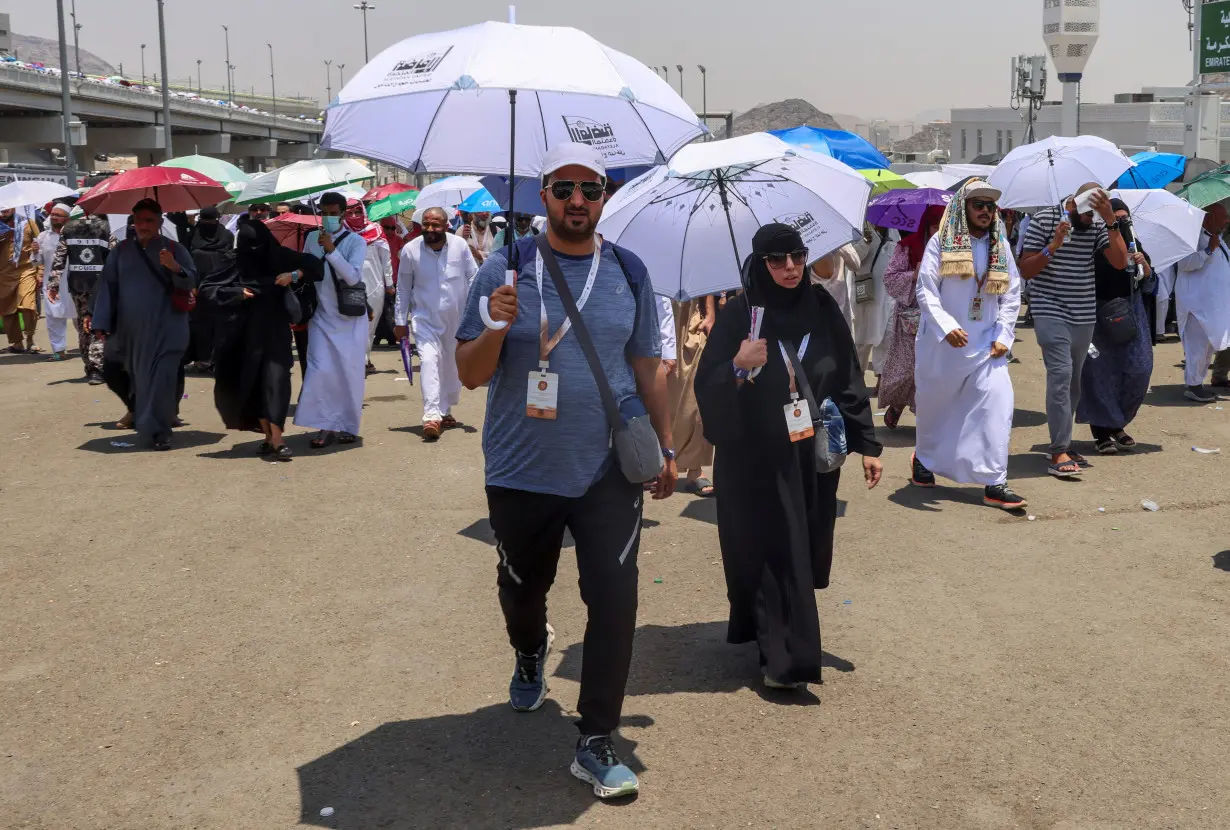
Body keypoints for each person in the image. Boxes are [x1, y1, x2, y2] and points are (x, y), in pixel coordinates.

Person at [455, 142, 674, 800]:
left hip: (608, 465)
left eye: (591, 189)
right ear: (543, 196)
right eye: (565, 189)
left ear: (605, 198)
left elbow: (645, 366)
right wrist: (496, 325)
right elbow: (469, 374)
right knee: (524, 586)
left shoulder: (629, 270)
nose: (578, 200)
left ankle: (595, 738)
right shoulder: (507, 266)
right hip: (522, 468)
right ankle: (529, 649)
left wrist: (663, 444)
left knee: (615, 598)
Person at [694, 223, 883, 690]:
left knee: (803, 546)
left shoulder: (821, 308)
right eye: (777, 261)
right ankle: (786, 660)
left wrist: (867, 445)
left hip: (810, 455)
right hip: (754, 458)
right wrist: (739, 366)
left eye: (797, 257)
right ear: (760, 264)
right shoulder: (741, 317)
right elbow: (707, 385)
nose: (791, 268)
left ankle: (768, 636)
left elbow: (848, 376)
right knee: (775, 548)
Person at [909, 181, 1026, 509]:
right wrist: (946, 327)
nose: (986, 211)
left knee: (997, 406)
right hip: (943, 346)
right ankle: (925, 457)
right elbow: (926, 290)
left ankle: (994, 481)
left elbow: (1012, 293)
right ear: (964, 208)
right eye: (979, 204)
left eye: (990, 206)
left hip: (987, 346)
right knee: (937, 410)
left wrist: (1004, 335)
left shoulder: (1000, 246)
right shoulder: (941, 243)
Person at [1020, 183, 1128, 478]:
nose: (1090, 218)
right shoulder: (1044, 220)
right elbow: (1026, 270)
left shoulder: (1096, 224)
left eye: (1096, 213)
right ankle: (1058, 451)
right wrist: (1052, 246)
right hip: (1049, 309)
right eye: (1088, 212)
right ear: (1075, 203)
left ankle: (1064, 442)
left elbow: (1120, 262)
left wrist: (1110, 220)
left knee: (1073, 384)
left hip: (1083, 313)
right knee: (1061, 376)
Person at [203, 215, 322, 460]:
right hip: (242, 336)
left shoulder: (279, 256)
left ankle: (278, 440)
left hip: (275, 332)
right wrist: (235, 293)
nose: (255, 250)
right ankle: (268, 437)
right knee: (254, 386)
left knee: (277, 381)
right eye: (250, 245)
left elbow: (316, 266)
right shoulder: (233, 261)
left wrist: (294, 275)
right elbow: (208, 289)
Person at [89, 199, 197, 451]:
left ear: (160, 222)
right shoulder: (120, 252)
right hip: (133, 331)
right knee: (139, 379)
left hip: (169, 328)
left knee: (161, 379)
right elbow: (107, 287)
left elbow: (191, 280)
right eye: (140, 220)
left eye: (150, 221)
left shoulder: (174, 249)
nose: (144, 225)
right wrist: (100, 321)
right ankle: (146, 418)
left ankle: (158, 432)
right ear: (133, 222)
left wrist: (174, 267)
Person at [1076, 199, 1155, 450]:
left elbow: (1149, 278)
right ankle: (1102, 432)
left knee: (1139, 370)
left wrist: (1141, 262)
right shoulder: (1097, 239)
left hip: (1131, 311)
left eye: (1124, 218)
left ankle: (1116, 422)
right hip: (1100, 312)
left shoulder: (1133, 239)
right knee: (1100, 374)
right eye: (1115, 217)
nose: (1121, 222)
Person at [394, 206, 478, 439]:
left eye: (435, 224)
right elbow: (402, 288)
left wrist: (475, 312)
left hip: (456, 319)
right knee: (430, 360)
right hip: (424, 320)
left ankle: (445, 409)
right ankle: (431, 416)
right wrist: (400, 320)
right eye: (426, 224)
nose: (430, 229)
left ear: (446, 225)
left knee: (451, 366)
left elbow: (473, 276)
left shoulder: (459, 246)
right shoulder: (410, 250)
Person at [294, 191, 370, 447]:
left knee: (348, 374)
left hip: (348, 319)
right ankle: (324, 425)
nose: (328, 218)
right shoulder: (311, 238)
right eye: (324, 213)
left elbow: (353, 277)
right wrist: (293, 275)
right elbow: (307, 269)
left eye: (333, 213)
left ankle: (348, 425)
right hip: (320, 316)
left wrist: (332, 250)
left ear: (343, 213)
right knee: (319, 371)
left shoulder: (356, 242)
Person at [878, 206, 946, 429]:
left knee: (932, 368)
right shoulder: (908, 247)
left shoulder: (957, 250)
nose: (939, 231)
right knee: (907, 368)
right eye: (935, 225)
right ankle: (897, 404)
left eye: (944, 225)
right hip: (912, 316)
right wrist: (913, 275)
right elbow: (890, 278)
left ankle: (926, 418)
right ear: (926, 226)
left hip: (942, 316)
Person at [48, 207, 115, 383]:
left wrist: (53, 285)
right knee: (98, 324)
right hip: (101, 285)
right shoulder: (106, 228)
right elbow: (115, 257)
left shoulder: (68, 229)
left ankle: (89, 365)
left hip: (78, 285)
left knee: (82, 325)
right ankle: (96, 368)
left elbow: (59, 258)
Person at [1174, 202, 1230, 403]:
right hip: (1195, 304)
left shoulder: (1218, 239)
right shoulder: (1192, 238)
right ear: (1209, 217)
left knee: (1207, 348)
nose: (1227, 221)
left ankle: (1199, 383)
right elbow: (1185, 264)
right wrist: (1207, 250)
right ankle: (1193, 385)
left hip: (1212, 305)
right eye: (1223, 217)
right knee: (1196, 347)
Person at [669, 295, 717, 496]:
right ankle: (655, 463)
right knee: (660, 392)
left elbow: (704, 268)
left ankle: (695, 470)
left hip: (691, 311)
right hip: (657, 306)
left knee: (698, 393)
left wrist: (710, 313)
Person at [343, 199, 393, 373]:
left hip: (374, 283)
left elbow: (386, 259)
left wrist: (389, 283)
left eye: (358, 212)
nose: (354, 216)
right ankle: (354, 359)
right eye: (350, 213)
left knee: (371, 320)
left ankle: (365, 356)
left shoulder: (376, 230)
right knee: (351, 321)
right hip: (349, 283)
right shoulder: (340, 232)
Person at [184, 206, 234, 374]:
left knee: (219, 324)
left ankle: (218, 359)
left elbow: (229, 262)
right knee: (199, 326)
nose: (208, 225)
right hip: (197, 289)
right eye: (204, 221)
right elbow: (186, 262)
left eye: (211, 221)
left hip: (220, 287)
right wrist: (191, 285)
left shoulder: (227, 236)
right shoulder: (191, 235)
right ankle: (202, 359)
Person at [35, 203, 76, 361]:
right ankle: (59, 351)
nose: (54, 217)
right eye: (52, 214)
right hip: (52, 283)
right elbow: (37, 262)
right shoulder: (43, 237)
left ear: (67, 219)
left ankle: (88, 347)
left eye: (58, 215)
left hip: (73, 282)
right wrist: (34, 252)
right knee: (53, 318)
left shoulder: (74, 235)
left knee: (79, 316)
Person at [0, 206, 42, 354]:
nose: (2, 213)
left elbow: (40, 245)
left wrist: (40, 271)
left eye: (5, 210)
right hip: (4, 274)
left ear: (12, 208)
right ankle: (17, 343)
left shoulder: (28, 223)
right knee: (7, 310)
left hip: (27, 270)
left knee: (28, 305)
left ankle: (30, 339)